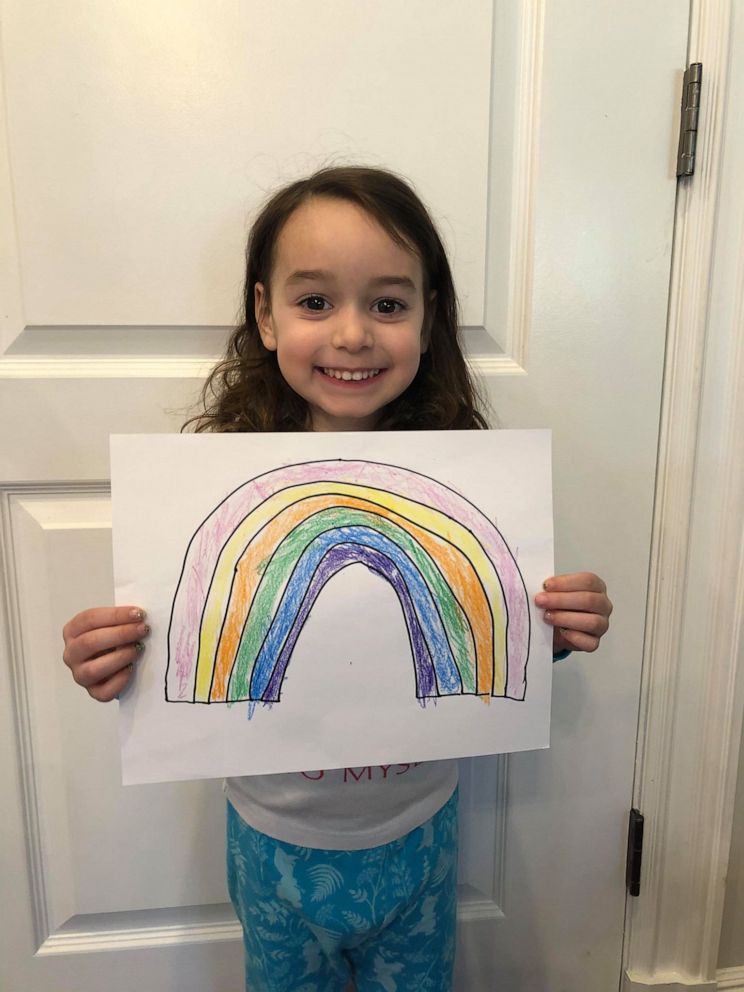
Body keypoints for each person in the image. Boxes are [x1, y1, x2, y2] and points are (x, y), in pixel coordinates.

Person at [61, 166, 612, 992]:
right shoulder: (204, 493)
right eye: (315, 302)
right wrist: (109, 656)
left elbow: (497, 639)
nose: (352, 334)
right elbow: (182, 646)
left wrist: (560, 628)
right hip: (272, 846)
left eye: (388, 304)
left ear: (429, 322)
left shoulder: (467, 475)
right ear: (265, 315)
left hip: (419, 836)